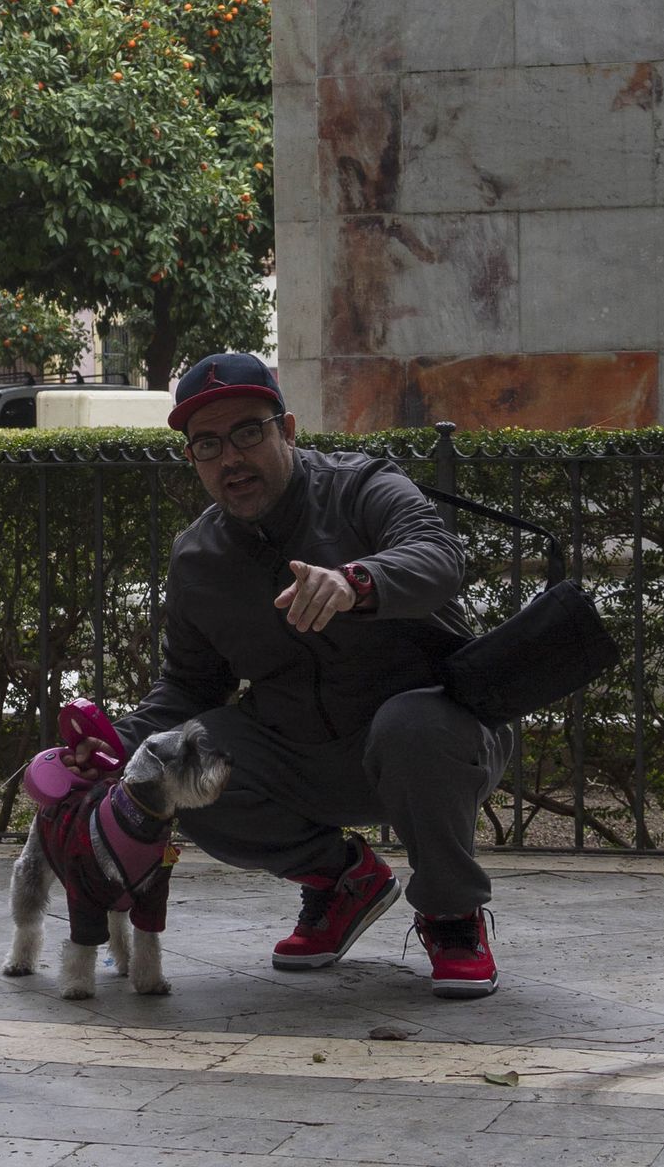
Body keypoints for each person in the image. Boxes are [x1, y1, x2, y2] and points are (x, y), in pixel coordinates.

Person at [109, 352, 510, 997]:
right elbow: (188, 688)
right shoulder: (198, 558)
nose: (231, 458)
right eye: (208, 444)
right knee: (178, 763)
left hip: (438, 735)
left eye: (248, 431)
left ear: (287, 430)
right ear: (192, 458)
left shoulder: (362, 486)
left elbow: (439, 555)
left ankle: (452, 913)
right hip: (303, 754)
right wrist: (109, 744)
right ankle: (342, 879)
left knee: (412, 724)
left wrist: (359, 582)